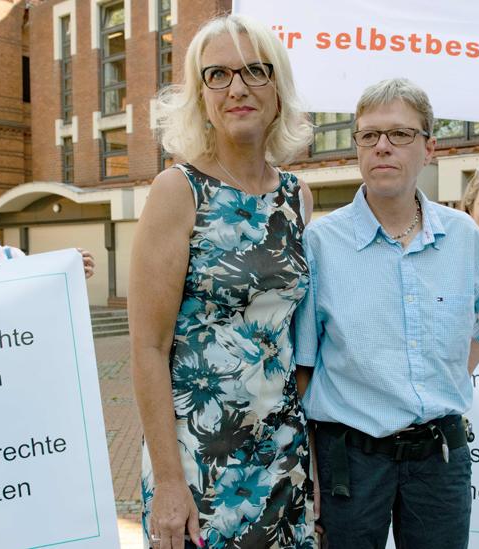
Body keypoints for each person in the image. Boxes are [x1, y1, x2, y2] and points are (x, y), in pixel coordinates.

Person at [294, 78, 479, 549]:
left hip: (440, 459)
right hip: (350, 459)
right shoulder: (321, 244)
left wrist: (443, 377)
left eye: (400, 134)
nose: (382, 147)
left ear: (428, 148)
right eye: (369, 136)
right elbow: (304, 366)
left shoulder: (463, 236)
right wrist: (310, 464)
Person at [128, 15, 315, 549]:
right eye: (217, 75)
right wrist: (167, 481)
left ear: (277, 88)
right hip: (197, 462)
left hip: (281, 456)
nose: (237, 88)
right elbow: (147, 347)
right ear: (201, 96)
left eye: (255, 71)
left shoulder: (297, 197)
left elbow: (296, 342)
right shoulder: (177, 190)